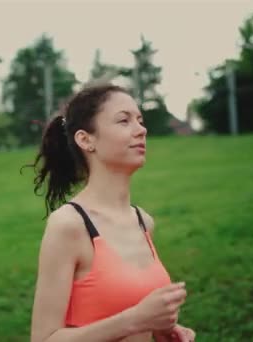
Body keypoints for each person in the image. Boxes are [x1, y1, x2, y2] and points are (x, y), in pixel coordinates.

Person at [27, 83, 196, 342]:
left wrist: (162, 331)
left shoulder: (143, 222)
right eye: (123, 121)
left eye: (140, 120)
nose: (141, 130)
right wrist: (134, 320)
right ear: (86, 139)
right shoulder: (70, 225)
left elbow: (131, 313)